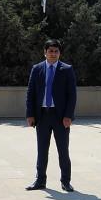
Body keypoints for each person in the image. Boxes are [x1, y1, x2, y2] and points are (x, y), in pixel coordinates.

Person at [25, 39, 77, 191]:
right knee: (42, 150)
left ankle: (66, 181)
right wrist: (30, 114)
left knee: (63, 150)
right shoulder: (37, 69)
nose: (53, 54)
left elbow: (72, 95)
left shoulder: (67, 69)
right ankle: (40, 180)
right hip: (42, 116)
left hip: (60, 117)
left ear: (59, 53)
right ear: (45, 52)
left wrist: (68, 116)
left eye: (56, 51)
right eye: (50, 51)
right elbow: (31, 93)